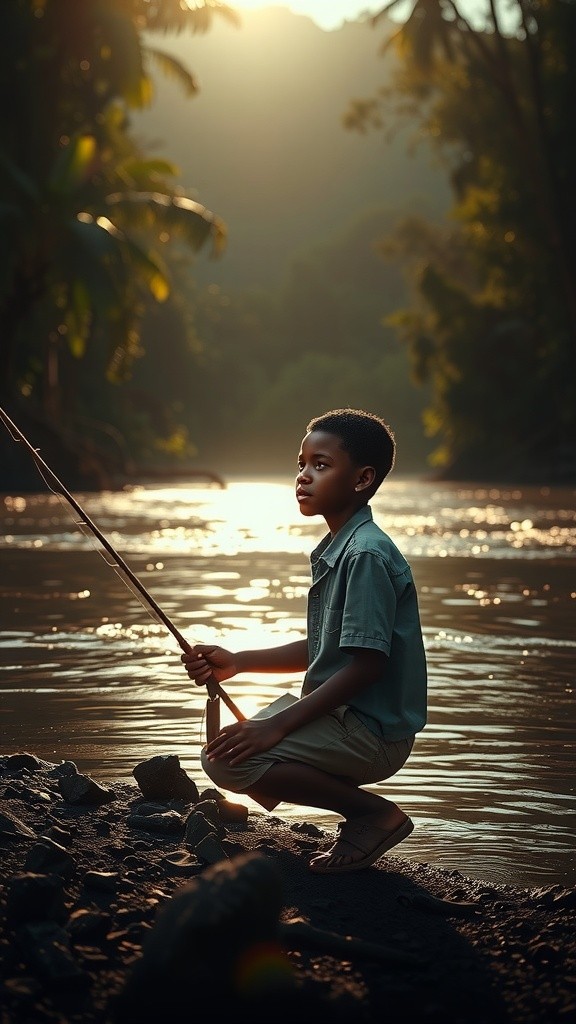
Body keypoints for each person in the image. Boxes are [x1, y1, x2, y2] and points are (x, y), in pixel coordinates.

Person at [182, 408, 427, 873]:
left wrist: (276, 727)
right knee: (226, 745)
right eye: (301, 464)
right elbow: (326, 645)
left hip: (373, 732)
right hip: (347, 719)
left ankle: (372, 814)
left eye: (321, 465)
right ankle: (356, 809)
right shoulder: (343, 547)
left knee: (227, 763)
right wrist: (237, 661)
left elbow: (367, 666)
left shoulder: (366, 555)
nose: (304, 477)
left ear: (362, 479)